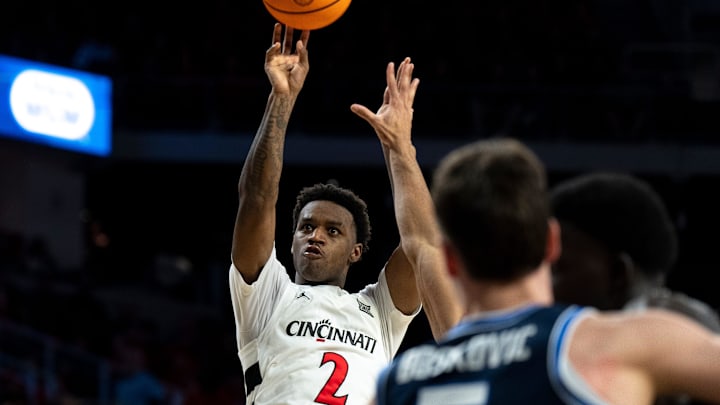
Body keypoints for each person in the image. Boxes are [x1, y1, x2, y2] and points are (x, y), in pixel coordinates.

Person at [374, 137, 720, 405]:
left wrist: (398, 147)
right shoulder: (599, 344)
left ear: (451, 260)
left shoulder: (396, 383)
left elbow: (421, 244)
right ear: (552, 243)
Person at [229, 23, 457, 405]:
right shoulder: (268, 294)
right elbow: (257, 198)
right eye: (306, 227)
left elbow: (424, 244)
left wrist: (401, 149)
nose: (315, 235)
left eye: (333, 231)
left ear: (356, 251)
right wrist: (281, 100)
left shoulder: (378, 309)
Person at [550, 171, 720, 405]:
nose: (545, 288)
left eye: (557, 270)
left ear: (618, 274)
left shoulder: (653, 330)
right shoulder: (692, 321)